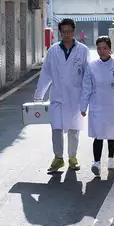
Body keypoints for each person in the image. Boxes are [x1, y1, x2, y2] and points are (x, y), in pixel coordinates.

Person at [34, 18, 91, 173]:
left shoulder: (83, 50)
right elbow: (46, 73)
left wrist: (87, 98)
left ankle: (73, 158)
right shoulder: (53, 50)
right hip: (58, 97)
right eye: (63, 32)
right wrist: (39, 95)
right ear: (60, 33)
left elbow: (87, 75)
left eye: (69, 32)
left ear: (74, 32)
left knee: (74, 129)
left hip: (76, 97)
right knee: (56, 128)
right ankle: (58, 158)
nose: (66, 35)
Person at [80, 36, 114, 175]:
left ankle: (111, 158)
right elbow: (86, 88)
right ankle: (96, 162)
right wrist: (83, 107)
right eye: (99, 48)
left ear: (110, 49)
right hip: (97, 104)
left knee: (111, 133)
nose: (101, 51)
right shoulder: (92, 66)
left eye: (105, 48)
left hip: (113, 104)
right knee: (98, 134)